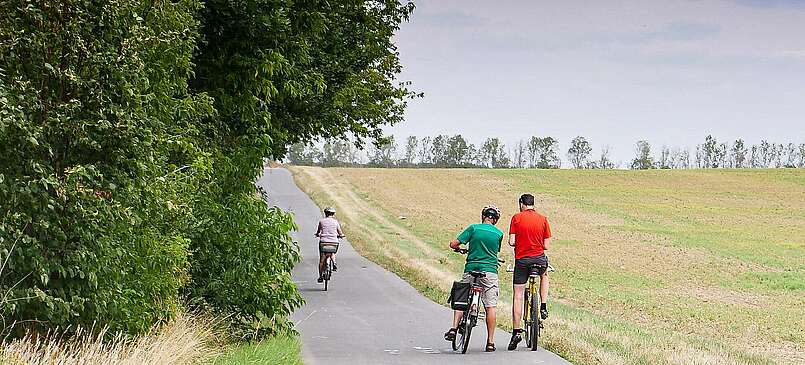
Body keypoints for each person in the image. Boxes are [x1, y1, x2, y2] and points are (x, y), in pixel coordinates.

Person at [444, 205, 503, 352]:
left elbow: (454, 244)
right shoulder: (498, 234)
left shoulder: (474, 228)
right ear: (495, 220)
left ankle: (453, 328)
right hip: (489, 272)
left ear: (483, 216)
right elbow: (494, 252)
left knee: (461, 297)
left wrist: (458, 248)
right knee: (490, 306)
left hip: (471, 268)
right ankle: (490, 342)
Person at [507, 193, 552, 351]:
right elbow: (546, 245)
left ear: (521, 204)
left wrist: (520, 242)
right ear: (533, 204)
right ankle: (544, 305)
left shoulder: (516, 218)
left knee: (518, 295)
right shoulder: (543, 219)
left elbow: (512, 241)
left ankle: (516, 331)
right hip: (539, 259)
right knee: (545, 275)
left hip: (522, 260)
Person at [315, 207, 344, 283]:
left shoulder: (321, 221)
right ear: (333, 214)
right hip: (334, 242)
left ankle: (320, 276)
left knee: (322, 259)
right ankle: (334, 263)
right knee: (332, 252)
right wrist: (341, 235)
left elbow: (318, 231)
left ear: (325, 213)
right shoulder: (335, 222)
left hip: (323, 242)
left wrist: (317, 234)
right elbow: (340, 232)